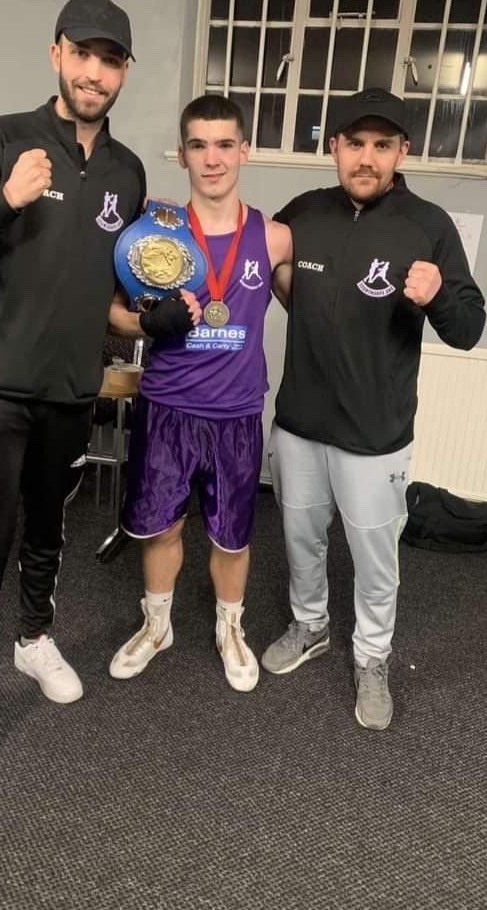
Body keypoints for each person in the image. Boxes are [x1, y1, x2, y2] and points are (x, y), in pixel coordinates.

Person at [0, 0, 198, 774]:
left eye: (111, 61)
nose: (95, 73)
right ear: (56, 54)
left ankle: (34, 640)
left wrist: (157, 321)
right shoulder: (3, 139)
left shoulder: (127, 172)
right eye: (83, 54)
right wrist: (2, 200)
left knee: (48, 533)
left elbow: (114, 299)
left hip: (74, 390)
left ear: (123, 73)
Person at [261, 88, 486, 730]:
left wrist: (440, 295)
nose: (366, 159)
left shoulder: (428, 225)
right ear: (333, 147)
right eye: (354, 144)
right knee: (301, 539)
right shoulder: (302, 213)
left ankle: (371, 656)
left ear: (402, 152)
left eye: (381, 146)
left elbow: (468, 326)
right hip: (300, 422)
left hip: (376, 435)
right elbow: (264, 274)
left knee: (374, 558)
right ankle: (310, 628)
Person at [107, 94, 292, 693]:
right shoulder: (152, 233)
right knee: (162, 528)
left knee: (231, 533)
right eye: (197, 145)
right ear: (182, 153)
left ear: (245, 150)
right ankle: (157, 626)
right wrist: (148, 324)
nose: (212, 159)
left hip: (237, 413)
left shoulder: (277, 237)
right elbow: (114, 315)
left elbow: (319, 312)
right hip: (167, 405)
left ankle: (229, 629)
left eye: (223, 144)